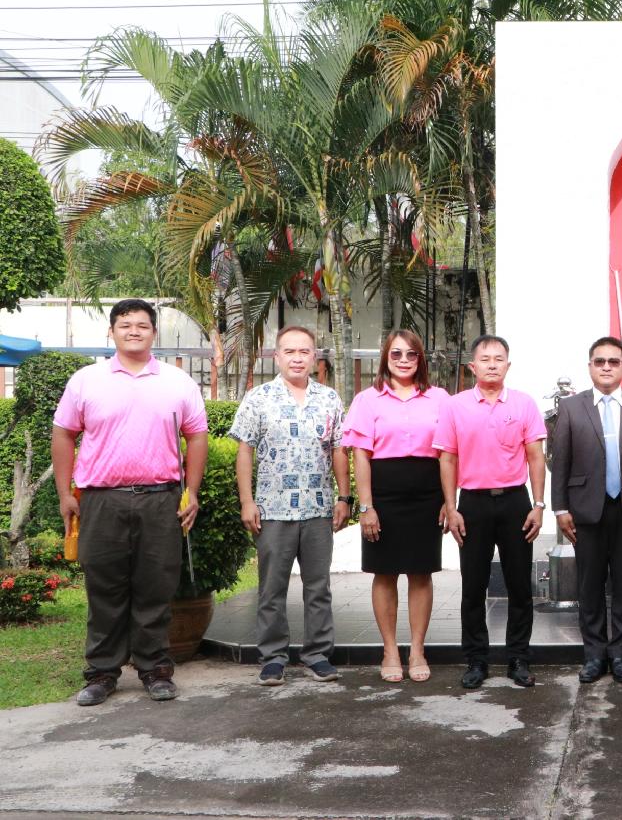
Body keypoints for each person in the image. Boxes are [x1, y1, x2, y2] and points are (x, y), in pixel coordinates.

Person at [52, 299, 208, 706]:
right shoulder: (86, 381)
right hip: (101, 501)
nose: (133, 331)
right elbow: (64, 433)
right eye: (125, 325)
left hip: (160, 500)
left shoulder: (177, 382)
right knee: (104, 587)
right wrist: (66, 493)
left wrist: (191, 491)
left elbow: (197, 435)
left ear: (153, 333)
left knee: (156, 586)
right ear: (111, 332)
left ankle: (155, 669)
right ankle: (102, 673)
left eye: (142, 325)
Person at [230, 326, 349, 686]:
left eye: (304, 351)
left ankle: (318, 655)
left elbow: (339, 450)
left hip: (317, 509)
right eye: (290, 351)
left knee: (318, 588)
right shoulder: (258, 398)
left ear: (314, 357)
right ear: (277, 356)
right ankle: (273, 658)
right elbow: (245, 451)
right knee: (271, 589)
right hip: (273, 510)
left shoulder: (329, 399)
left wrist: (344, 497)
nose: (297, 358)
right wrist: (247, 501)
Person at [436, 335, 548, 689]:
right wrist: (451, 507)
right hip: (473, 504)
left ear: (508, 365)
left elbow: (536, 457)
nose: (492, 365)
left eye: (499, 359)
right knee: (473, 586)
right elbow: (447, 459)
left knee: (520, 586)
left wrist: (539, 505)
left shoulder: (524, 404)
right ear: (473, 366)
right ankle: (476, 660)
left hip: (516, 502)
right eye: (485, 359)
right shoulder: (455, 406)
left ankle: (518, 658)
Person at [550, 337, 622, 684]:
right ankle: (595, 655)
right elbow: (561, 460)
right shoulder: (571, 407)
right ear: (590, 366)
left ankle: (620, 655)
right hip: (586, 510)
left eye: (614, 362)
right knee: (589, 586)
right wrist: (560, 508)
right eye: (599, 361)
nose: (606, 367)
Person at [341, 330, 450, 683]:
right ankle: (390, 650)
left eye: (411, 354)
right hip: (383, 495)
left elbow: (450, 453)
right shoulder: (367, 400)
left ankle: (417, 650)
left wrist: (449, 502)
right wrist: (366, 507)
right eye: (396, 354)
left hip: (427, 495)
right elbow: (360, 455)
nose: (404, 360)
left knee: (421, 572)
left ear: (421, 359)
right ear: (385, 357)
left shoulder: (440, 398)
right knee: (384, 572)